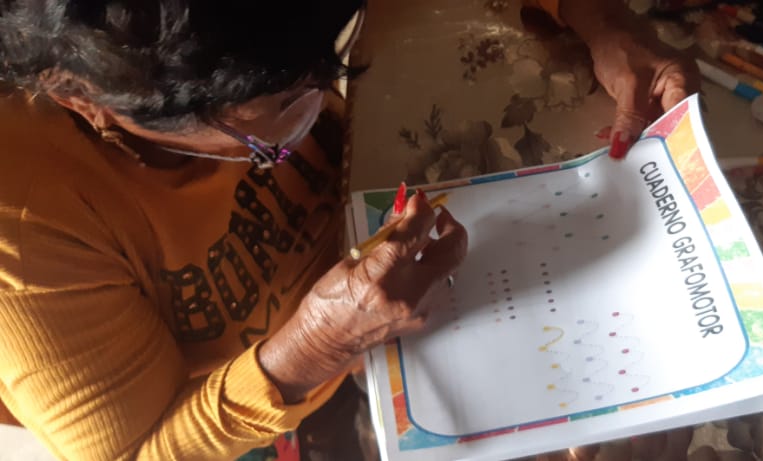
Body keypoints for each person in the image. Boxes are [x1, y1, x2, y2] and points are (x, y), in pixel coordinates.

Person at [0, 0, 698, 459]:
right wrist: (317, 346)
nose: (319, 101)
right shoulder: (25, 221)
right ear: (84, 102)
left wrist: (601, 21)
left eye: (324, 74)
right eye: (279, 112)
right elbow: (138, 449)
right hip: (276, 392)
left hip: (389, 243)